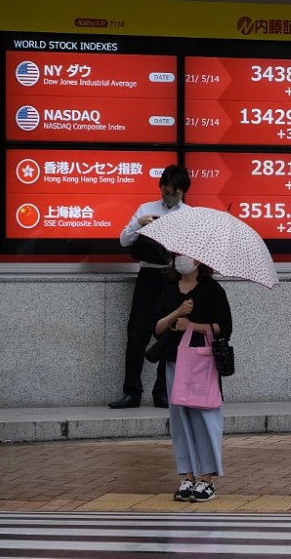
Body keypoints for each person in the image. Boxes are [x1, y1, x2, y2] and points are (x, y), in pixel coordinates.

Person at [110, 164, 191, 409]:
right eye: (165, 192)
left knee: (169, 335)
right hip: (148, 276)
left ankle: (162, 392)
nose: (169, 198)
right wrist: (140, 224)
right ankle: (132, 392)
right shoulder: (146, 209)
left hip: (174, 278)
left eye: (174, 194)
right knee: (137, 335)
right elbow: (124, 240)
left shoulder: (189, 214)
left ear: (183, 193)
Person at [153, 255, 232, 502]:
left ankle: (207, 479)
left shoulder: (212, 289)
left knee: (205, 417)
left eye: (185, 255)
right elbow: (157, 328)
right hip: (175, 361)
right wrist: (178, 312)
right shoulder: (168, 289)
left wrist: (193, 325)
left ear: (199, 260)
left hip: (202, 362)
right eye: (177, 255)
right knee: (180, 421)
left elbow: (224, 328)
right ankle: (187, 476)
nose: (180, 260)